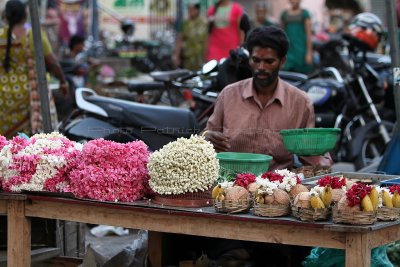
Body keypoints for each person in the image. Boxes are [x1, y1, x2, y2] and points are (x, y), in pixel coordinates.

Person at [205, 25, 331, 171]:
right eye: (255, 60)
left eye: (269, 61)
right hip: (230, 185)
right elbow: (207, 137)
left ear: (282, 61)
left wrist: (323, 162)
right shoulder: (228, 95)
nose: (261, 67)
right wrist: (207, 137)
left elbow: (311, 152)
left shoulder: (300, 103)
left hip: (279, 188)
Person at [0, 0, 69, 139]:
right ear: (25, 16)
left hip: (4, 97)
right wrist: (63, 81)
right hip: (30, 98)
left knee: (5, 143)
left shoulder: (1, 36)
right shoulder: (33, 35)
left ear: (5, 16)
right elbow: (52, 62)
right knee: (27, 143)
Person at [280, 0, 313, 74]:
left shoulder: (305, 14)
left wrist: (309, 53)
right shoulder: (284, 14)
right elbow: (281, 35)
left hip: (301, 51)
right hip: (288, 51)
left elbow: (309, 35)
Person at [173, 1, 207, 71]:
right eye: (189, 9)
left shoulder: (204, 23)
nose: (190, 12)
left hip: (200, 57)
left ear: (198, 10)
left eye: (192, 9)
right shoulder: (186, 23)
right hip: (188, 57)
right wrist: (176, 56)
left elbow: (207, 40)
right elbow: (179, 39)